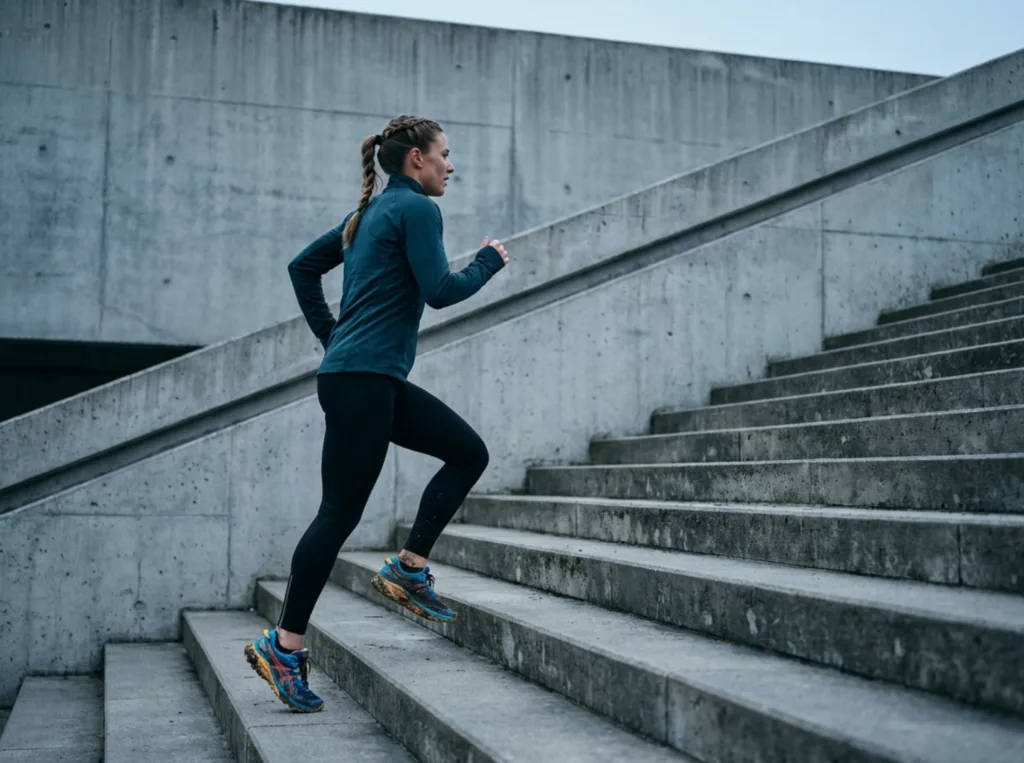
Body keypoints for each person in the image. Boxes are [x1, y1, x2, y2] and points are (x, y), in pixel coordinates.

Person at [244, 115, 509, 713]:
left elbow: (301, 268)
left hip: (364, 380)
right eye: (445, 153)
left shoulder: (366, 215)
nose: (451, 164)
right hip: (363, 382)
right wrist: (489, 261)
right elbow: (440, 288)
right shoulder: (415, 209)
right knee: (338, 514)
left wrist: (333, 337)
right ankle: (285, 647)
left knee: (468, 452)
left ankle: (409, 568)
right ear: (415, 158)